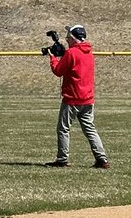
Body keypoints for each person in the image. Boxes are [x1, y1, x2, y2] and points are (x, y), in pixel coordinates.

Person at [46, 24, 109, 169]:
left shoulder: (72, 53)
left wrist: (53, 58)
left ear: (74, 38)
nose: (67, 39)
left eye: (68, 37)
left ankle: (62, 159)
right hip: (87, 99)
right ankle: (102, 159)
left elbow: (58, 71)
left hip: (72, 99)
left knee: (63, 129)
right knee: (90, 129)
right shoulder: (89, 52)